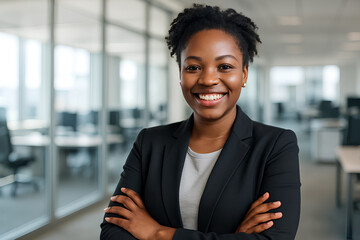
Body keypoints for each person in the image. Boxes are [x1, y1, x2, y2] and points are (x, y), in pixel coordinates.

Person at [100, 4, 300, 240]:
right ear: (180, 74)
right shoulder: (149, 143)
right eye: (193, 67)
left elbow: (275, 238)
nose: (207, 79)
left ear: (244, 74)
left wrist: (157, 232)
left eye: (224, 66)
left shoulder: (275, 146)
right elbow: (113, 232)